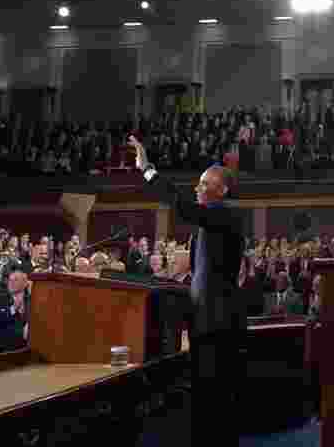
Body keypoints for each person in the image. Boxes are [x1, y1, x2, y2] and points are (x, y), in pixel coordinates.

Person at [130, 135, 245, 447]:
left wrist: (148, 170)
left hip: (220, 324)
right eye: (198, 182)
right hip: (206, 321)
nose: (198, 187)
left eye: (205, 184)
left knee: (217, 400)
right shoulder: (210, 222)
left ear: (222, 190)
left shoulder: (226, 213)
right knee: (205, 399)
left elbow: (181, 205)